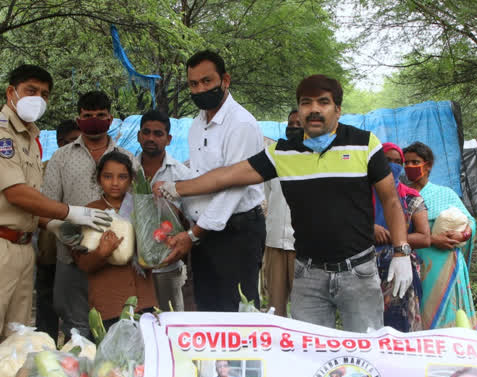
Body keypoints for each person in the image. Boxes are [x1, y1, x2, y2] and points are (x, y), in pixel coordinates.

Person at [155, 74, 412, 331]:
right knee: (311, 355)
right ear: (299, 110)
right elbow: (228, 176)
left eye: (323, 102)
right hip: (308, 276)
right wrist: (175, 188)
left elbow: (390, 201)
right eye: (306, 102)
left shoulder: (365, 144)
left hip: (358, 272)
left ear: (338, 109)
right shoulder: (284, 152)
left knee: (364, 352)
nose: (313, 109)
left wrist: (402, 252)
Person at [0, 65, 112, 348]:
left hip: (22, 244)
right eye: (31, 90)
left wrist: (52, 224)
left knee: (16, 338)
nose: (38, 98)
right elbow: (17, 193)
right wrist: (72, 212)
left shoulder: (29, 138)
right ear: (11, 92)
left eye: (44, 94)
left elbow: (31, 198)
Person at [161, 50, 266, 312]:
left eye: (207, 81)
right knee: (208, 311)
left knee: (238, 314)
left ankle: (242, 356)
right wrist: (169, 190)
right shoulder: (197, 124)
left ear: (225, 80)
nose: (200, 89)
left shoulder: (241, 124)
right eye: (193, 84)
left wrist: (193, 234)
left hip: (237, 233)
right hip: (205, 234)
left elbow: (233, 188)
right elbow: (202, 178)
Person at [42, 91, 135, 338]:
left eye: (100, 115)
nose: (94, 119)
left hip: (117, 256)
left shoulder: (127, 158)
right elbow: (47, 206)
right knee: (77, 327)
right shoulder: (60, 158)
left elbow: (137, 205)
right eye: (88, 115)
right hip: (72, 255)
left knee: (115, 325)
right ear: (79, 118)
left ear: (110, 118)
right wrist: (64, 233)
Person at [68, 151, 157, 328]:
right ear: (99, 179)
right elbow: (83, 264)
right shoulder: (89, 213)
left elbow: (154, 251)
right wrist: (101, 253)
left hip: (144, 299)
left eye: (122, 177)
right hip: (109, 301)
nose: (115, 183)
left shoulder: (142, 207)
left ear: (131, 179)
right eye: (108, 176)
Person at [403, 142, 477, 329]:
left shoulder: (445, 194)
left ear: (428, 165)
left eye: (415, 162)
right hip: (412, 263)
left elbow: (469, 221)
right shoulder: (401, 195)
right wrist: (432, 239)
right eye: (406, 163)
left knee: (448, 315)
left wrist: (463, 234)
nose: (409, 167)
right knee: (418, 312)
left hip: (445, 265)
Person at [136, 110, 193, 312]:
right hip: (132, 266)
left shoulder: (181, 174)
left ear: (168, 139)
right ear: (139, 136)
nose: (151, 138)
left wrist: (174, 214)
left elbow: (192, 220)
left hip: (167, 265)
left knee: (169, 322)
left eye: (158, 134)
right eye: (146, 132)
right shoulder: (127, 170)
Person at [34, 119, 82, 340]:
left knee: (75, 306)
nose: (68, 146)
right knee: (46, 302)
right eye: (63, 142)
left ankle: (77, 347)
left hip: (78, 251)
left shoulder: (89, 168)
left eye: (73, 141)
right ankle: (45, 346)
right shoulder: (43, 168)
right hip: (49, 250)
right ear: (56, 142)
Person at [373, 157, 430, 331]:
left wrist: (392, 237)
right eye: (387, 159)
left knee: (399, 321)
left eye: (398, 160)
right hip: (362, 267)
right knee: (368, 324)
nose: (392, 164)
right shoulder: (362, 194)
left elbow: (424, 238)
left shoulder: (410, 197)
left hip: (400, 265)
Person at [262, 110, 299, 317]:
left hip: (302, 246)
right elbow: (268, 193)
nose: (293, 127)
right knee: (275, 307)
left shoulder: (316, 161)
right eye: (290, 123)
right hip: (274, 242)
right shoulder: (274, 158)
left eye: (298, 123)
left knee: (304, 307)